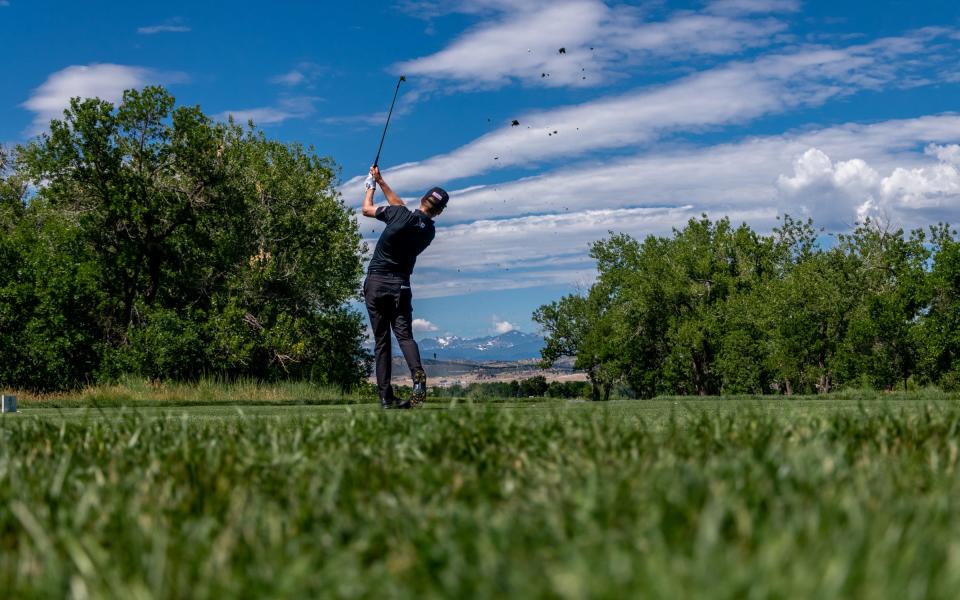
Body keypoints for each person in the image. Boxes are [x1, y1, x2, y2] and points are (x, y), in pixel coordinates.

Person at [361, 165, 449, 409]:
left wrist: (370, 186)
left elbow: (367, 209)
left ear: (422, 199)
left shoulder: (399, 215)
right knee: (404, 336)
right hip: (401, 287)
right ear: (439, 212)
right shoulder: (428, 231)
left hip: (377, 283)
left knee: (382, 342)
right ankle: (417, 374)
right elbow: (400, 207)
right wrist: (381, 180)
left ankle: (386, 398)